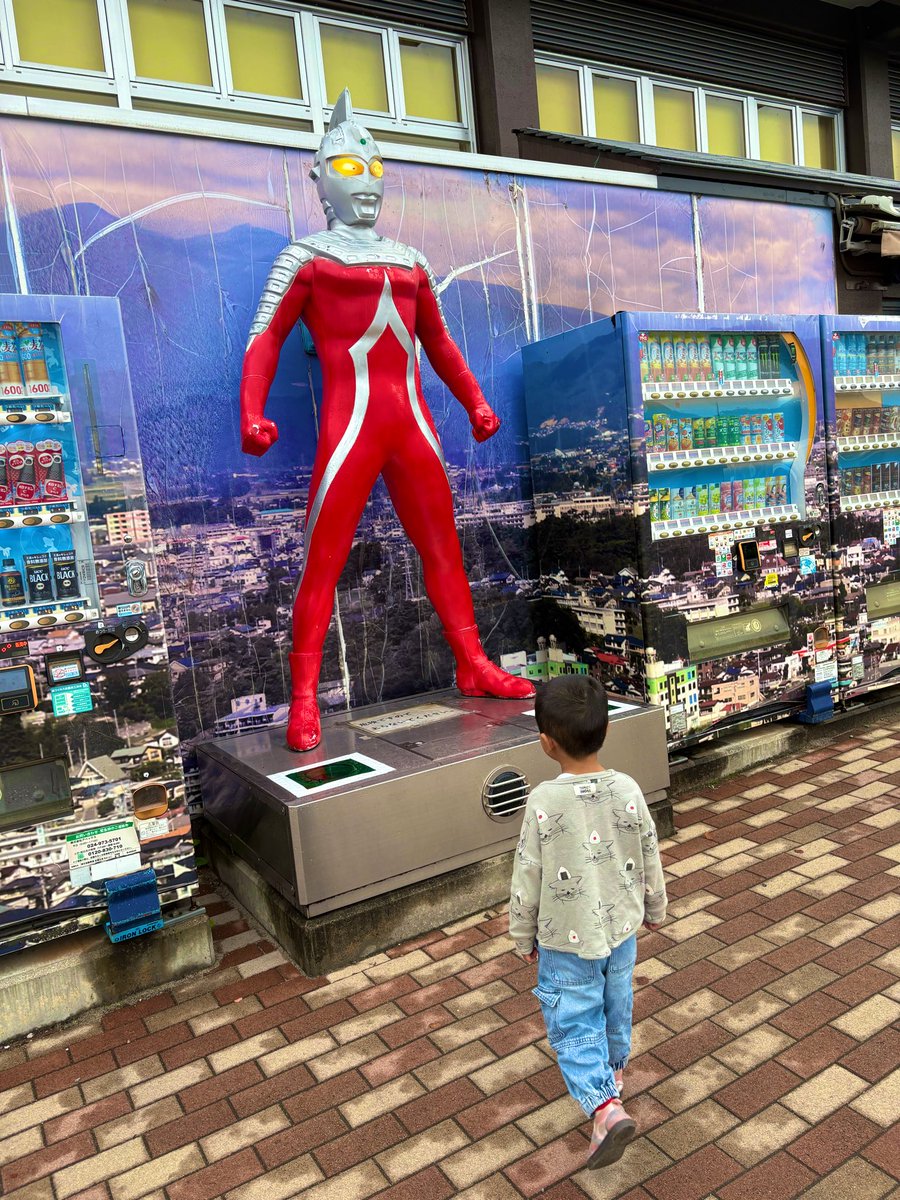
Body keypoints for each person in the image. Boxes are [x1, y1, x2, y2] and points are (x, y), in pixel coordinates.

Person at [239, 89, 533, 753]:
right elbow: (266, 335)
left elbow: (441, 343)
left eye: (374, 169)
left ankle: (473, 663)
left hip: (411, 427)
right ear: (319, 181)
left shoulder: (411, 260)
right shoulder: (306, 256)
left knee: (444, 552)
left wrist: (476, 402)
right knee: (323, 562)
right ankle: (305, 697)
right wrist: (250, 411)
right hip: (353, 427)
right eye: (348, 169)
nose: (366, 181)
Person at [509, 675, 667, 1170]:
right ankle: (612, 1078)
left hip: (564, 939)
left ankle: (603, 1108)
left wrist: (521, 934)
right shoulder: (628, 788)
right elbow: (648, 851)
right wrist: (656, 907)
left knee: (574, 1021)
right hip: (621, 932)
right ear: (605, 732)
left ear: (546, 741)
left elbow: (527, 873)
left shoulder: (543, 801)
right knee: (615, 1005)